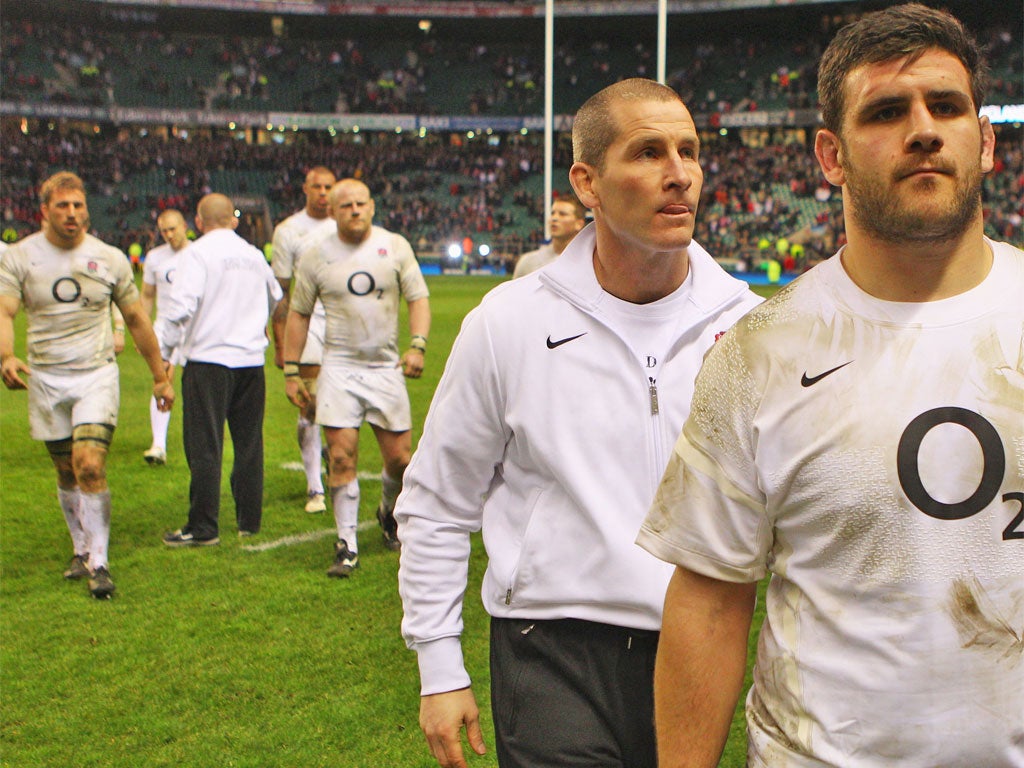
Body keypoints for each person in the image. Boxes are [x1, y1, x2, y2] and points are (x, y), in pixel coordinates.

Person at [637, 5, 1023, 767]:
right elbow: (711, 602)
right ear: (830, 155)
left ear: (985, 142)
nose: (922, 129)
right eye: (885, 112)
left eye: (946, 106)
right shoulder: (758, 355)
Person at [395, 78, 762, 768]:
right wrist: (439, 664)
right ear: (587, 183)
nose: (679, 175)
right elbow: (438, 501)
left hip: (698, 642)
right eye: (649, 153)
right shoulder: (508, 322)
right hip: (550, 646)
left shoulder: (747, 327)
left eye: (689, 150)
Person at [0, 171, 174, 599]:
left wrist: (159, 376)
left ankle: (100, 561)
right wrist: (6, 355)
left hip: (95, 374)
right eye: (62, 206)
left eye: (78, 205)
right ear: (44, 211)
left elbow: (136, 319)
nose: (72, 213)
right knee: (65, 470)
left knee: (90, 465)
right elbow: (5, 310)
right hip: (44, 377)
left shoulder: (109, 258)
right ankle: (79, 549)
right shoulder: (20, 257)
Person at [283, 178, 431, 578]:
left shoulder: (395, 246)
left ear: (373, 206)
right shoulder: (315, 255)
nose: (354, 210)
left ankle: (387, 510)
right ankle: (346, 543)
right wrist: (291, 369)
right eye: (345, 205)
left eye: (361, 203)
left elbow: (418, 297)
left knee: (401, 460)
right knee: (343, 453)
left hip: (384, 367)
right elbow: (298, 313)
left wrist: (416, 344)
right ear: (332, 212)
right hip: (339, 366)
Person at [159, 193, 282, 547]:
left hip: (209, 359)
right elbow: (275, 298)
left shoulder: (196, 254)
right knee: (249, 443)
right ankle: (249, 521)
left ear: (198, 222)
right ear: (234, 219)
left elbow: (180, 307)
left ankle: (203, 526)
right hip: (250, 360)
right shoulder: (253, 254)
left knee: (205, 445)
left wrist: (166, 353)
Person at [271, 166, 337, 514]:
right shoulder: (289, 231)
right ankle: (315, 486)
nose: (324, 192)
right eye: (317, 186)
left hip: (343, 323)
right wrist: (282, 341)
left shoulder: (345, 225)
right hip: (308, 321)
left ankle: (332, 458)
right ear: (305, 188)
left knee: (336, 400)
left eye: (329, 186)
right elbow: (281, 291)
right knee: (310, 400)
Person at [139, 209, 190, 465]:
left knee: (197, 386)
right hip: (163, 328)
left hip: (196, 330)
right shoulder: (155, 257)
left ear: (185, 226)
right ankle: (158, 444)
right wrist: (143, 332)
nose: (169, 235)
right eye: (164, 231)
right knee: (163, 379)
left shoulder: (199, 253)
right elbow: (147, 296)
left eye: (173, 229)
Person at [511, 196, 587, 278]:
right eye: (552, 213)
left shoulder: (590, 264)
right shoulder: (528, 262)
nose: (554, 218)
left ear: (579, 224)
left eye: (562, 214)